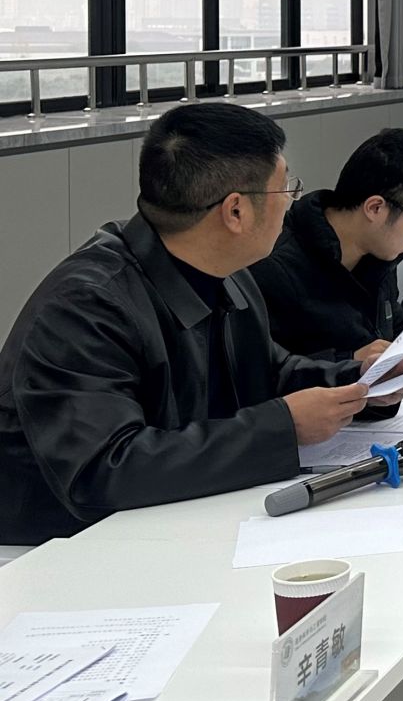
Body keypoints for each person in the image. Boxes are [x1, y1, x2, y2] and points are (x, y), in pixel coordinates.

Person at [0, 103, 371, 544]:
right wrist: (282, 429)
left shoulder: (226, 271)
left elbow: (266, 372)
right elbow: (104, 471)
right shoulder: (86, 306)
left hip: (173, 521)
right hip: (59, 548)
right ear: (236, 212)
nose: (291, 202)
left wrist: (360, 382)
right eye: (285, 188)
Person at [251, 129, 403, 361]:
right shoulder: (275, 268)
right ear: (375, 208)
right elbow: (264, 370)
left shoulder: (379, 253)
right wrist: (351, 360)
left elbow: (393, 328)